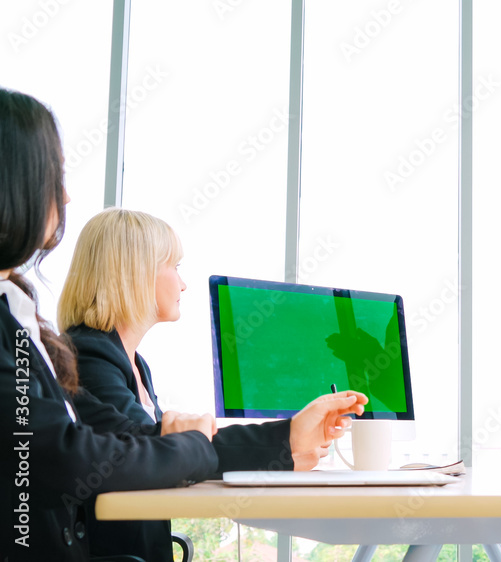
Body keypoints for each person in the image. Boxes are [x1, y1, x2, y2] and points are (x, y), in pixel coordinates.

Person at [0, 87, 367, 562]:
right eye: (54, 175)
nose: (66, 195)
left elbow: (128, 444)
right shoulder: (87, 353)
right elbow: (67, 457)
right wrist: (196, 443)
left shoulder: (29, 324)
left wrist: (285, 436)